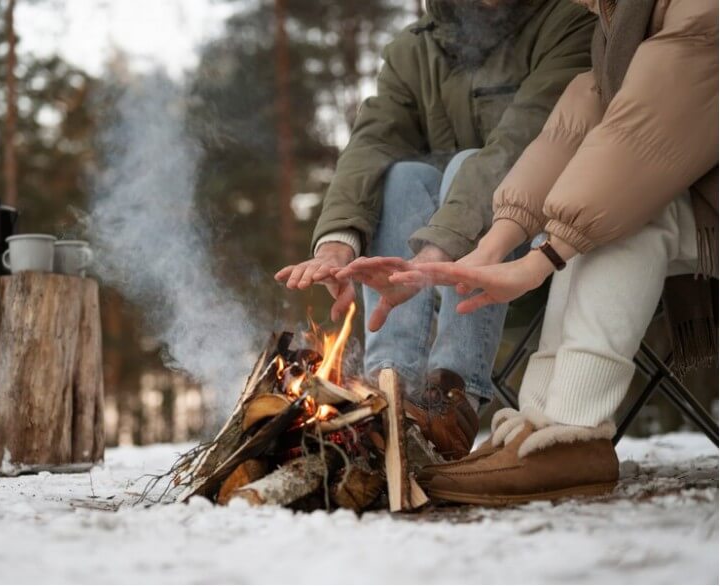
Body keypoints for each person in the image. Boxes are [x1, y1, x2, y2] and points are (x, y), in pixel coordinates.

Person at [342, 0, 718, 504]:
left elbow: (634, 142)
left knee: (624, 217)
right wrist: (493, 246)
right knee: (590, 218)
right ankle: (539, 428)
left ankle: (572, 434)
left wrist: (540, 259)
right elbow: (574, 125)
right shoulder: (617, 21)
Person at [275, 0, 596, 461]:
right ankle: (391, 391)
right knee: (401, 176)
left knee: (467, 163)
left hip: (541, 238)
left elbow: (519, 145)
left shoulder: (567, 23)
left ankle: (450, 395)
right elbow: (372, 143)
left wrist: (437, 250)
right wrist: (336, 245)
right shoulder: (415, 48)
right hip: (449, 237)